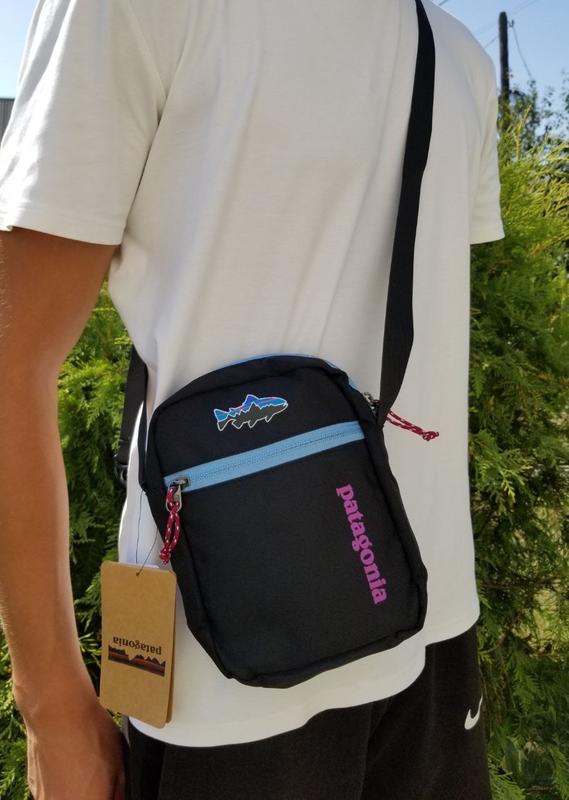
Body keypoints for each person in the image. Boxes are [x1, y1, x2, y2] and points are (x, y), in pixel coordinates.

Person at [0, 0, 505, 797]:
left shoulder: (457, 55)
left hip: (433, 633)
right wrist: (52, 708)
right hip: (220, 680)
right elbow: (12, 358)